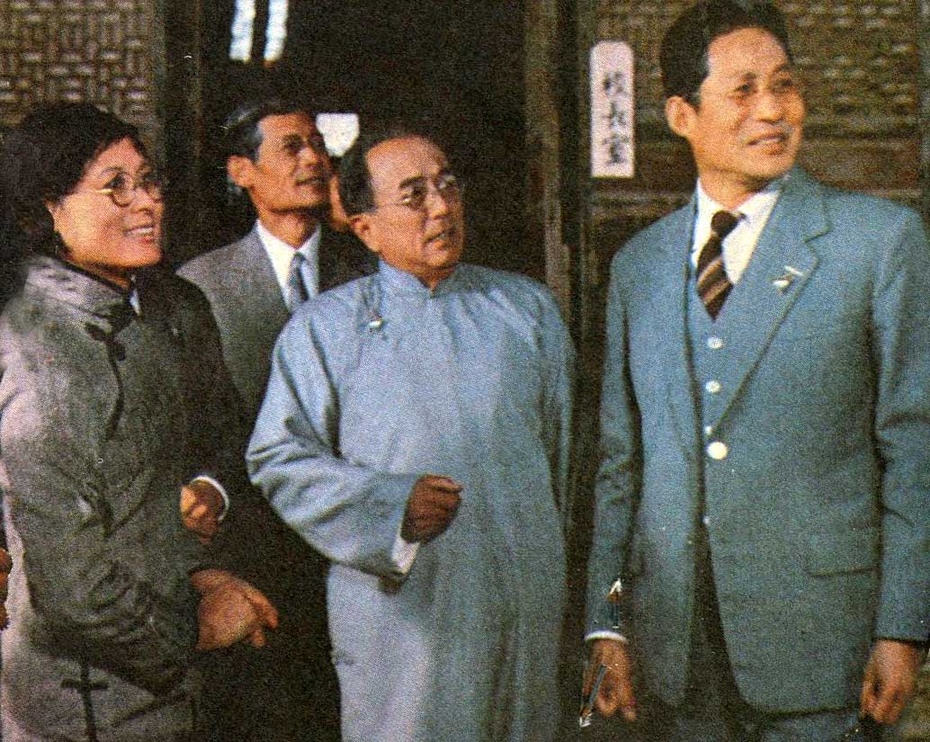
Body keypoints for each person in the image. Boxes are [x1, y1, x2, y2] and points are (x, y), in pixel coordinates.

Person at [584, 2, 930, 740]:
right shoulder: (639, 267)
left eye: (785, 85)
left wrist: (904, 626)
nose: (772, 111)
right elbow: (621, 466)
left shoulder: (878, 243)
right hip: (676, 651)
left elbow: (916, 450)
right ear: (682, 115)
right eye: (742, 91)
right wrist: (605, 622)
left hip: (825, 645)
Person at [247, 125, 575, 742]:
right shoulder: (323, 329)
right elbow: (278, 458)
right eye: (414, 195)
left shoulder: (527, 309)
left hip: (523, 604)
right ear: (364, 226)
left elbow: (563, 462)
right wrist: (389, 506)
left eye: (447, 186)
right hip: (404, 617)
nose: (442, 207)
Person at [0, 102, 278, 741]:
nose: (147, 202)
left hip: (166, 686)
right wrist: (199, 627)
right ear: (49, 208)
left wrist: (203, 558)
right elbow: (69, 585)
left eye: (149, 182)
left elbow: (197, 456)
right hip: (85, 700)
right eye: (115, 187)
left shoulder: (162, 308)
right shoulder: (39, 346)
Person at [178, 97, 374, 741]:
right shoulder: (199, 286)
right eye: (292, 147)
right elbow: (192, 427)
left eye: (318, 144)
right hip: (254, 553)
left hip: (359, 548)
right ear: (242, 172)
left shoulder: (370, 270)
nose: (314, 159)